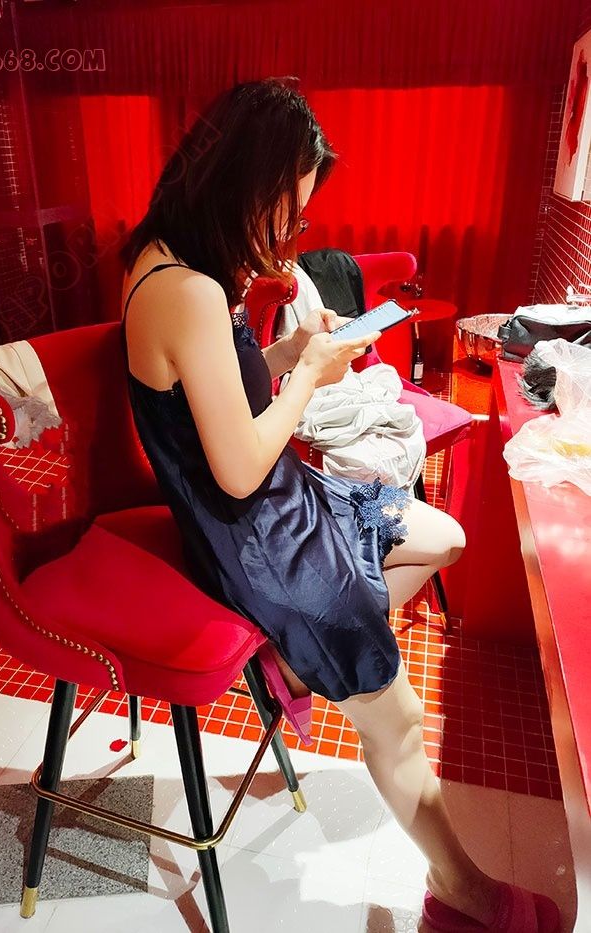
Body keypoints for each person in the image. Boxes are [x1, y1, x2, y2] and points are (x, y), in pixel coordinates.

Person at [119, 78, 559, 932]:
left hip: (278, 502)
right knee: (399, 721)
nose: (287, 236)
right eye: (286, 214)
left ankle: (295, 665)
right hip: (256, 536)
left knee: (444, 536)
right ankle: (460, 892)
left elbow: (216, 392)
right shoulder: (188, 290)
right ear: (242, 181)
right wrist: (311, 377)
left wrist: (290, 351)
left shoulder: (177, 263)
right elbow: (237, 469)